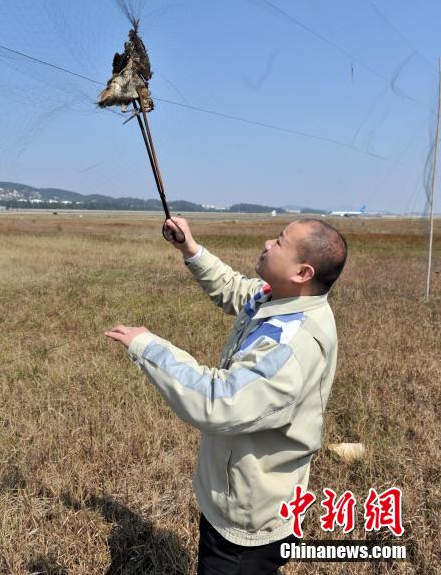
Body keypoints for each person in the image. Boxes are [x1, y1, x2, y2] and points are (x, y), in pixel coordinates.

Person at [105, 216, 348, 574]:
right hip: (243, 495)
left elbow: (218, 401)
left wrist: (147, 346)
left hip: (250, 520)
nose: (268, 244)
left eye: (280, 242)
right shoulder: (278, 298)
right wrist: (189, 248)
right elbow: (234, 289)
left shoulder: (290, 346)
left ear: (302, 272)